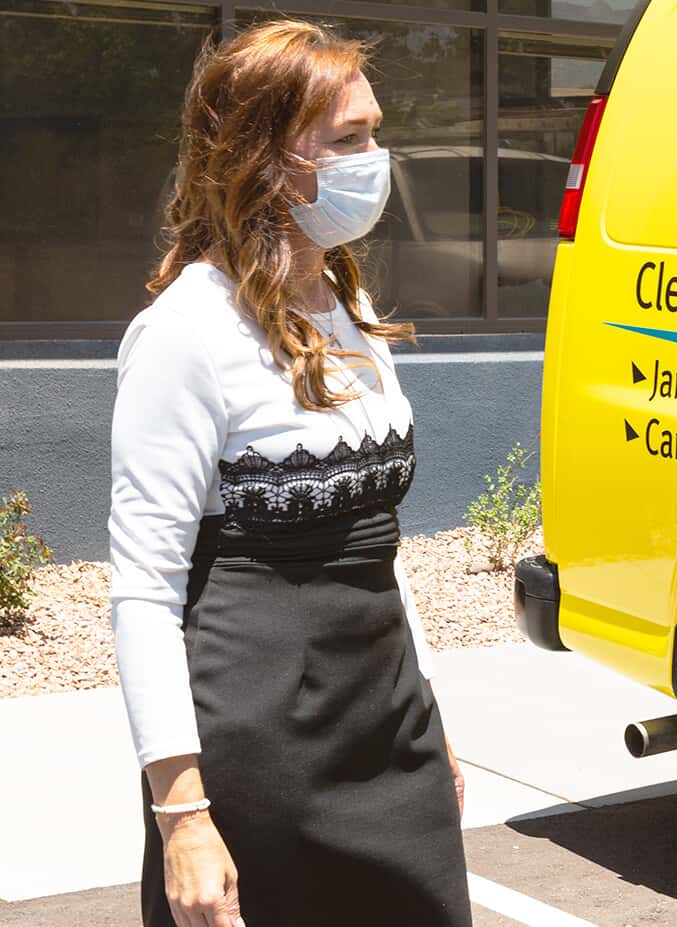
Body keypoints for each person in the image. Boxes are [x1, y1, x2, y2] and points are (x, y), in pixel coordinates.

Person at [108, 21, 470, 927]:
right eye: (347, 140)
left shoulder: (348, 304)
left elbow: (378, 549)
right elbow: (145, 592)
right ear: (263, 159)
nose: (375, 158)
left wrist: (432, 714)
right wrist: (183, 815)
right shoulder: (185, 331)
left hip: (389, 726)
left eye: (376, 132)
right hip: (260, 741)